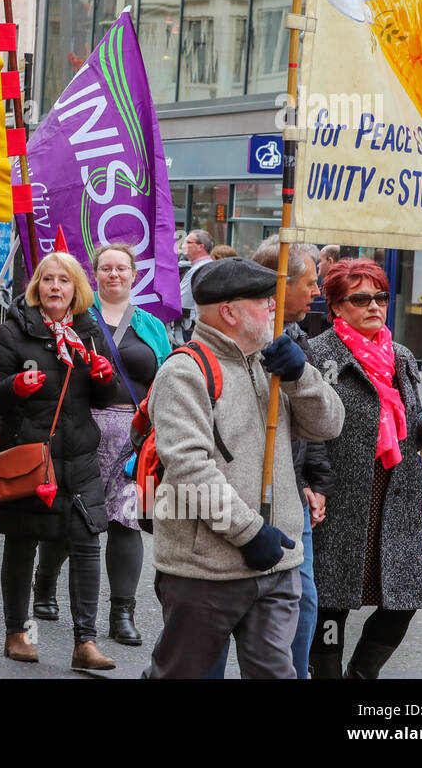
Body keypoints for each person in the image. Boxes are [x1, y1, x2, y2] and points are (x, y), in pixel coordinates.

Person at [144, 257, 345, 678]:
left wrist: (300, 377)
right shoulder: (184, 372)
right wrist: (249, 532)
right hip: (206, 569)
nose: (275, 308)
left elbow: (329, 426)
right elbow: (189, 469)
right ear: (230, 312)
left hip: (280, 563)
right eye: (263, 301)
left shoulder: (271, 362)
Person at [306, 257, 422, 679]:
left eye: (381, 297)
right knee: (332, 606)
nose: (374, 306)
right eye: (361, 298)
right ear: (335, 306)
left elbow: (408, 435)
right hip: (341, 499)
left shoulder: (400, 356)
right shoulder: (318, 355)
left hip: (396, 499)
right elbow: (304, 433)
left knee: (401, 604)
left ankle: (361, 674)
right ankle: (328, 673)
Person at [0, 252, 118, 671]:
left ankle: (85, 642)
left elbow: (102, 399)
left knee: (87, 542)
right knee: (22, 541)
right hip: (29, 457)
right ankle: (17, 632)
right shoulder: (14, 333)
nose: (55, 287)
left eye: (64, 280)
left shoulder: (90, 332)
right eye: (48, 280)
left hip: (78, 458)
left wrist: (104, 379)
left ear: (77, 289)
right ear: (36, 287)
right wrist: (15, 386)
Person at [31, 244, 172, 647]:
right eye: (106, 268)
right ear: (94, 275)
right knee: (73, 519)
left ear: (133, 275)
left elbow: (167, 380)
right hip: (81, 431)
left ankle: (121, 613)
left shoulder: (152, 326)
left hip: (135, 435)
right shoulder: (76, 320)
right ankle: (45, 584)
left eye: (121, 268)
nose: (114, 274)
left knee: (126, 521)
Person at [206, 236, 332, 679]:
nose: (317, 290)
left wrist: (314, 480)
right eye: (309, 281)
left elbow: (320, 424)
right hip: (229, 504)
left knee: (299, 610)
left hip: (289, 498)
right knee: (212, 620)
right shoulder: (213, 354)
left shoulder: (296, 339)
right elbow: (194, 463)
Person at [176, 229, 213, 342]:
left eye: (188, 242)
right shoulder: (209, 266)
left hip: (190, 329)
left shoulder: (196, 270)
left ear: (200, 247)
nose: (183, 245)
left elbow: (180, 302)